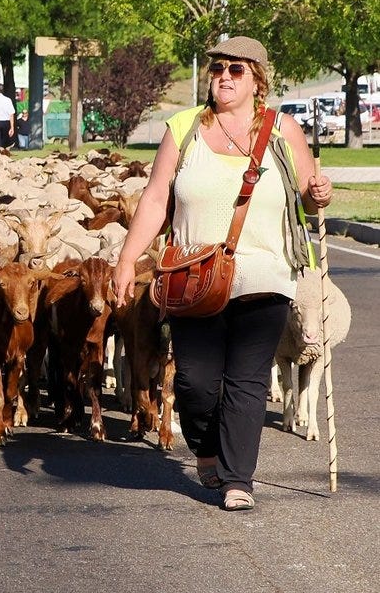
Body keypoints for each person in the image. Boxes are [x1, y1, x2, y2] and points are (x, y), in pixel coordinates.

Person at [112, 36, 333, 512]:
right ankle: (206, 448)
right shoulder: (184, 128)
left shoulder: (282, 130)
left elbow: (307, 198)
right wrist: (128, 259)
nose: (224, 77)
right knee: (195, 383)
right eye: (218, 69)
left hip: (264, 275)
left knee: (247, 381)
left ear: (258, 80)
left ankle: (238, 479)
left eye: (237, 69)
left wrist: (318, 193)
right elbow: (155, 199)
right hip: (195, 276)